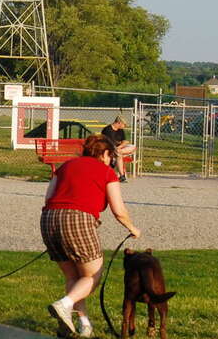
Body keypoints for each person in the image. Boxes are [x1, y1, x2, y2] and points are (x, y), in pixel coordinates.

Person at [41, 134, 141, 337]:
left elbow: (48, 197)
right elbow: (119, 210)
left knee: (74, 277)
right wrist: (133, 228)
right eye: (111, 156)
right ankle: (65, 304)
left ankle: (83, 324)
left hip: (49, 219)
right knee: (92, 276)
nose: (111, 160)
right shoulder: (107, 173)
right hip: (78, 219)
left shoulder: (65, 166)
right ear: (105, 154)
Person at [101, 116, 136, 182]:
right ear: (119, 123)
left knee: (133, 147)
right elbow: (110, 144)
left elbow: (125, 141)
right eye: (124, 124)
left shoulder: (120, 130)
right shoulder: (108, 130)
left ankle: (116, 157)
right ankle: (122, 176)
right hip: (108, 148)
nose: (124, 126)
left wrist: (119, 147)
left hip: (118, 149)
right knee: (119, 155)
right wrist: (120, 145)